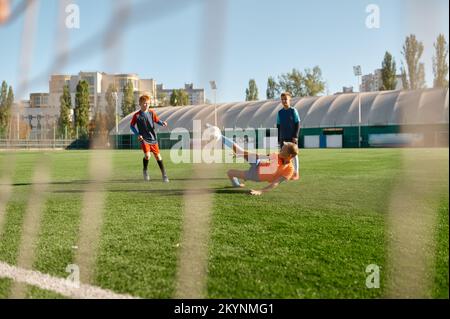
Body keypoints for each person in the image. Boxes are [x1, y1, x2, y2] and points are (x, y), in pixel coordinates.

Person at [217, 129, 298, 196]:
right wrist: (242, 154)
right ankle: (219, 136)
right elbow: (259, 156)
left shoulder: (289, 170)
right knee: (239, 151)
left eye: (283, 149)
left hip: (255, 175)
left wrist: (261, 191)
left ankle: (236, 184)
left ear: (289, 155)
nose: (281, 149)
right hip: (258, 163)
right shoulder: (277, 155)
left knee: (230, 172)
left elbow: (276, 183)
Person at [130, 94, 169, 182]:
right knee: (147, 155)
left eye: (147, 103)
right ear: (140, 104)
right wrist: (138, 134)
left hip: (153, 139)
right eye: (144, 103)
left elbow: (157, 120)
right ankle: (145, 171)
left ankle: (164, 175)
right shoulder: (136, 115)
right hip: (144, 139)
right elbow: (132, 126)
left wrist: (162, 123)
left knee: (158, 157)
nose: (146, 105)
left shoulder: (152, 113)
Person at [277, 92, 300, 180]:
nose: (284, 101)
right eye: (282, 99)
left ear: (289, 100)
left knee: (294, 155)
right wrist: (279, 138)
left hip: (292, 137)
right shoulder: (279, 112)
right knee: (283, 156)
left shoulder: (293, 110)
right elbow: (278, 126)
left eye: (285, 99)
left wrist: (295, 136)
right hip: (283, 137)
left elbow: (297, 123)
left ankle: (296, 173)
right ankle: (285, 173)